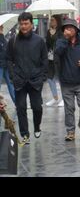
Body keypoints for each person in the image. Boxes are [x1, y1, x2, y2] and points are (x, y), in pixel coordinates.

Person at [6, 12, 48, 144]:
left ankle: (37, 126)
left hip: (35, 80)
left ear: (31, 24)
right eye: (21, 24)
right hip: (20, 80)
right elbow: (8, 60)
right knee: (21, 107)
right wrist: (13, 76)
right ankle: (25, 134)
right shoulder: (13, 41)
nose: (23, 26)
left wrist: (42, 77)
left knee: (37, 108)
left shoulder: (39, 41)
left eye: (26, 23)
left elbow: (45, 60)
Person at [55, 18, 80, 141]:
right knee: (69, 108)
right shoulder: (60, 42)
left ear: (76, 30)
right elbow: (58, 53)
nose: (68, 30)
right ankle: (70, 131)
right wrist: (65, 41)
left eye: (70, 28)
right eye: (66, 28)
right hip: (66, 81)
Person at [45, 15, 64, 107]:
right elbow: (47, 44)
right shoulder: (49, 31)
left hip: (59, 58)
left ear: (57, 21)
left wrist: (54, 35)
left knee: (60, 79)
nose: (51, 21)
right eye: (50, 20)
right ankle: (55, 97)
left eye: (52, 20)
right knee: (49, 78)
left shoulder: (62, 31)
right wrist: (50, 34)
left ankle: (64, 99)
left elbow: (61, 43)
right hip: (50, 58)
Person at [0, 25, 15, 104]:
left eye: (2, 27)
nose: (2, 28)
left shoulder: (3, 37)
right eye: (1, 27)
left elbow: (6, 49)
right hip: (0, 65)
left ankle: (17, 103)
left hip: (5, 64)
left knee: (11, 84)